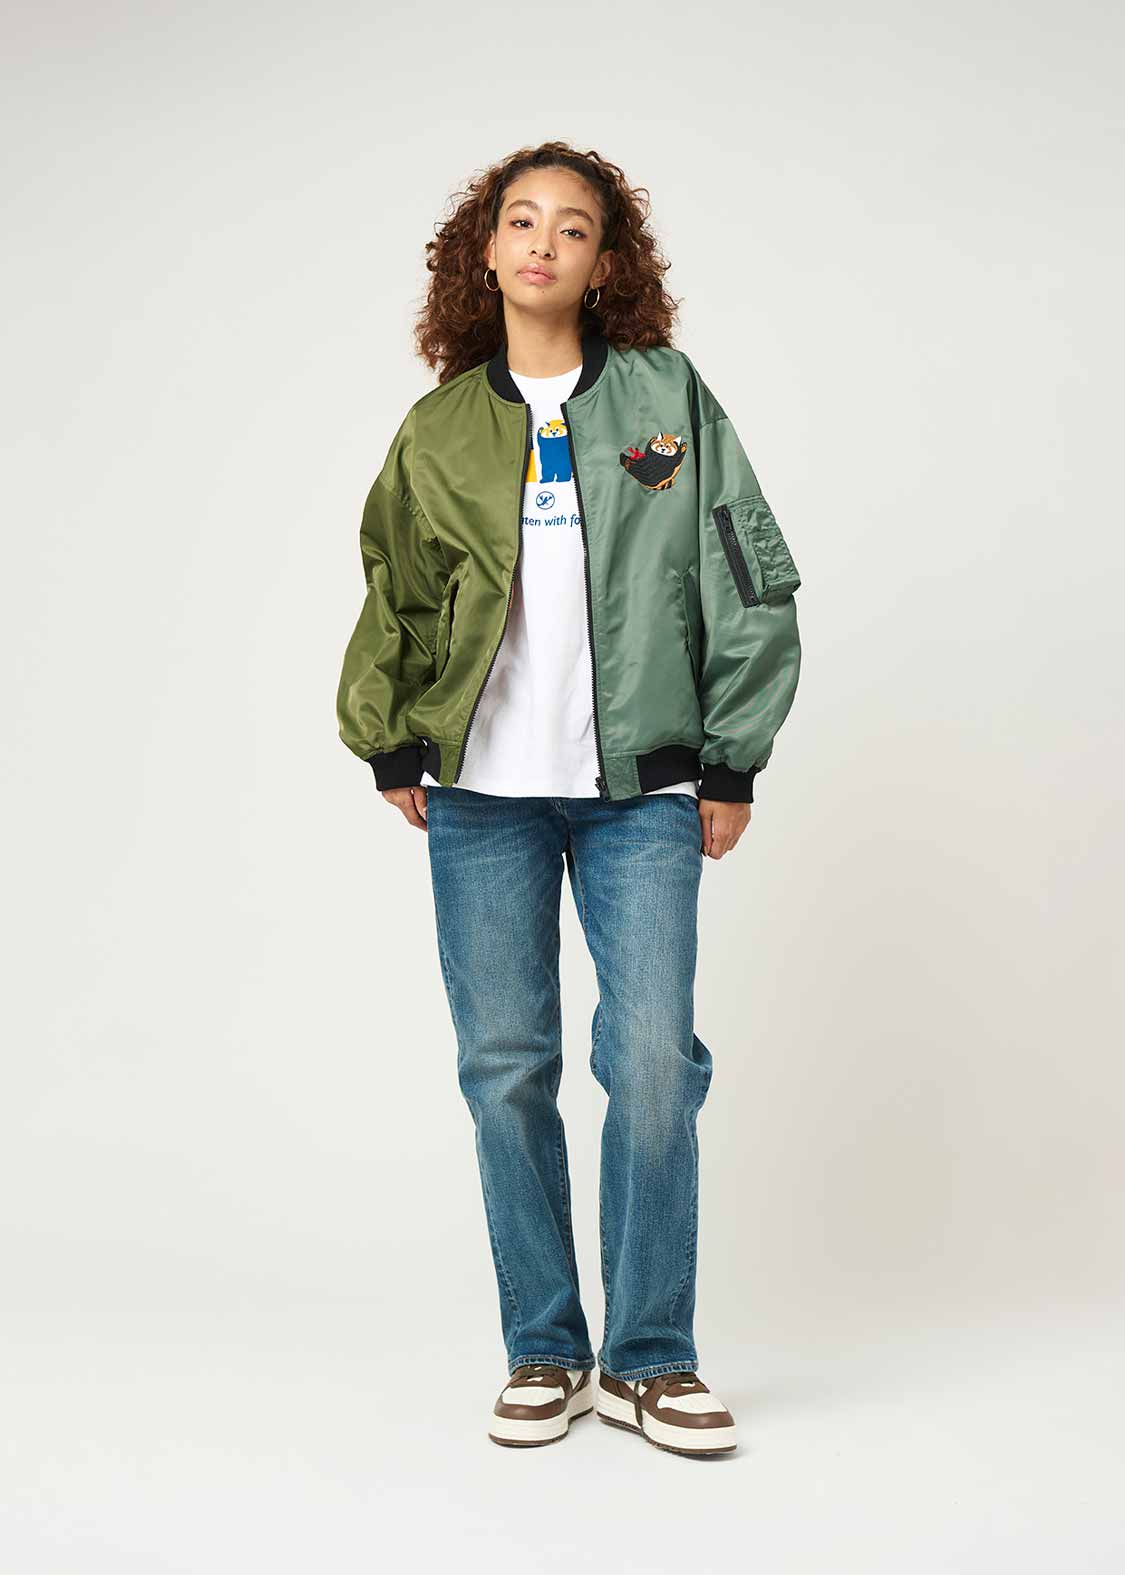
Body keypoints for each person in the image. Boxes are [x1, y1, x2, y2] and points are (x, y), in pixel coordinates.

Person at [336, 140, 803, 1456]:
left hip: (642, 793)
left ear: (606, 264)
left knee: (652, 1068)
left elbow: (746, 566)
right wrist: (391, 738)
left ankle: (651, 1358)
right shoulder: (438, 429)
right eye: (521, 220)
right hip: (481, 798)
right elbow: (396, 591)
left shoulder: (664, 397)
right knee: (505, 1073)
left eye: (575, 226)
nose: (543, 242)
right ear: (483, 251)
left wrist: (731, 757)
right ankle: (544, 1347)